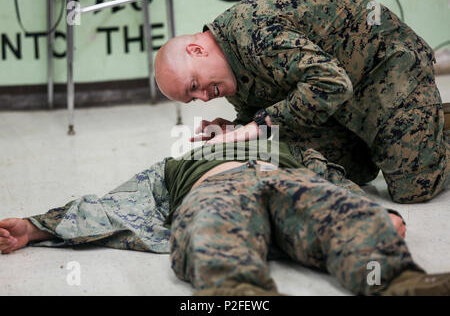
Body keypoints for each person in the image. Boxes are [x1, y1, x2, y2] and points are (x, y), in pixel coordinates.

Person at [1, 140, 449, 296]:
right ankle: (240, 295)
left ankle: (397, 284)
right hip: (213, 190)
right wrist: (37, 225)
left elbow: (334, 186)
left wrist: (376, 214)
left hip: (286, 181)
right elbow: (116, 203)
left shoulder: (286, 146)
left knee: (346, 217)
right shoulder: (177, 165)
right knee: (211, 237)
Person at [154, 0, 450, 204]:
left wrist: (258, 125)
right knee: (350, 172)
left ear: (196, 50)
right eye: (193, 98)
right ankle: (411, 130)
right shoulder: (229, 70)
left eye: (194, 85)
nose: (203, 97)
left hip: (385, 71)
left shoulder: (256, 32)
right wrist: (233, 129)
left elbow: (331, 83)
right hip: (339, 102)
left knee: (415, 187)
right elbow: (262, 117)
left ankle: (433, 120)